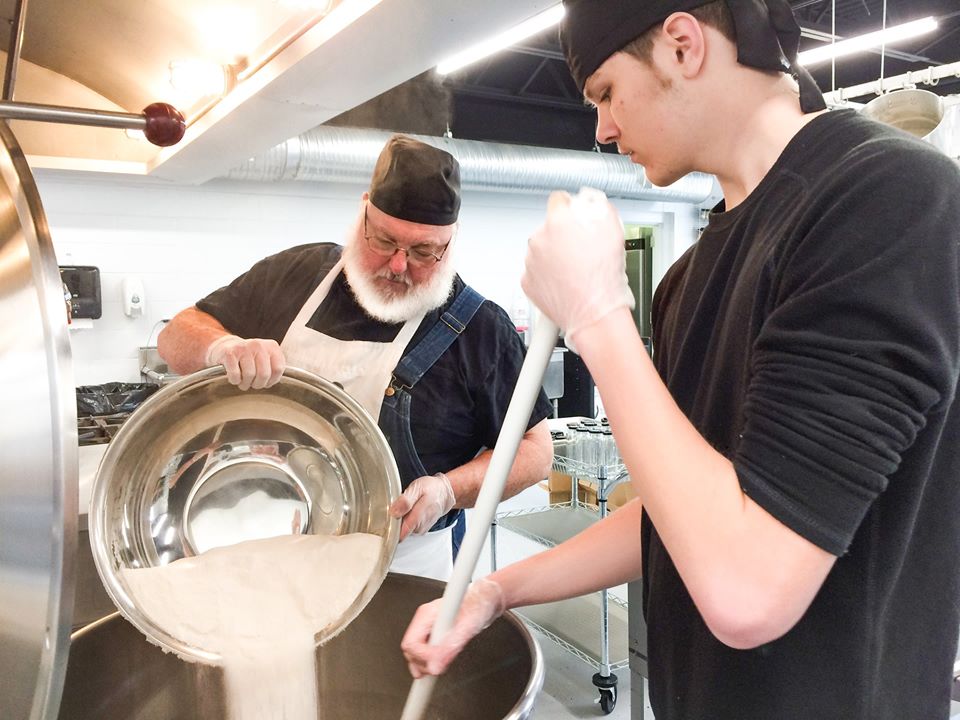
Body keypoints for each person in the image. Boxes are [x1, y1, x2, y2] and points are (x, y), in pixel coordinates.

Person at [400, 2, 960, 718]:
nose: (600, 129)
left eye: (605, 91)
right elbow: (677, 517)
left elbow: (748, 591)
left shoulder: (887, 199)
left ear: (682, 45)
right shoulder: (686, 281)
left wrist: (598, 315)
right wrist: (493, 590)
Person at [158, 134, 554, 581]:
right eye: (384, 241)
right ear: (363, 210)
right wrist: (222, 347)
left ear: (451, 240)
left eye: (424, 251)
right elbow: (175, 336)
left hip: (404, 567)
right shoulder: (296, 274)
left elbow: (535, 452)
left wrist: (449, 490)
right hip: (271, 546)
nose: (398, 265)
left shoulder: (481, 329)